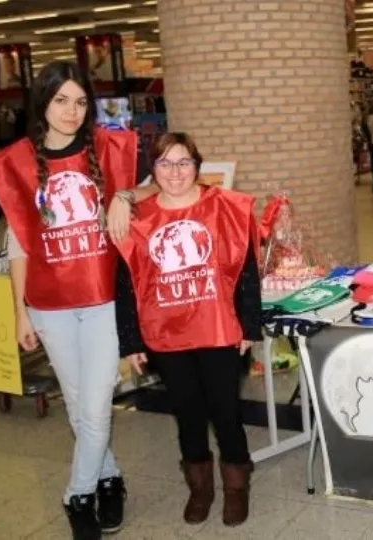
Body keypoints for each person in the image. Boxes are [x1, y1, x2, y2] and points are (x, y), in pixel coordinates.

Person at [0, 60, 156, 540]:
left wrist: (123, 194)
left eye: (80, 102)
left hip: (101, 300)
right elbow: (20, 245)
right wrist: (20, 312)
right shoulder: (18, 161)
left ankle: (77, 494)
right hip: (48, 304)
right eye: (62, 101)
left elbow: (159, 183)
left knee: (95, 407)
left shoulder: (109, 148)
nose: (71, 111)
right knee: (80, 406)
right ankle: (110, 478)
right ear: (43, 103)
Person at [114, 132, 262, 527]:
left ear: (198, 166)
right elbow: (126, 282)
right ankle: (201, 488)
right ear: (153, 170)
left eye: (184, 162)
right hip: (166, 334)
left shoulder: (226, 208)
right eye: (165, 163)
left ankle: (235, 486)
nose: (175, 171)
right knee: (188, 413)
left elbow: (247, 270)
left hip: (218, 328)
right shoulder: (138, 221)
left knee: (226, 411)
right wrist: (130, 340)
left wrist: (249, 324)